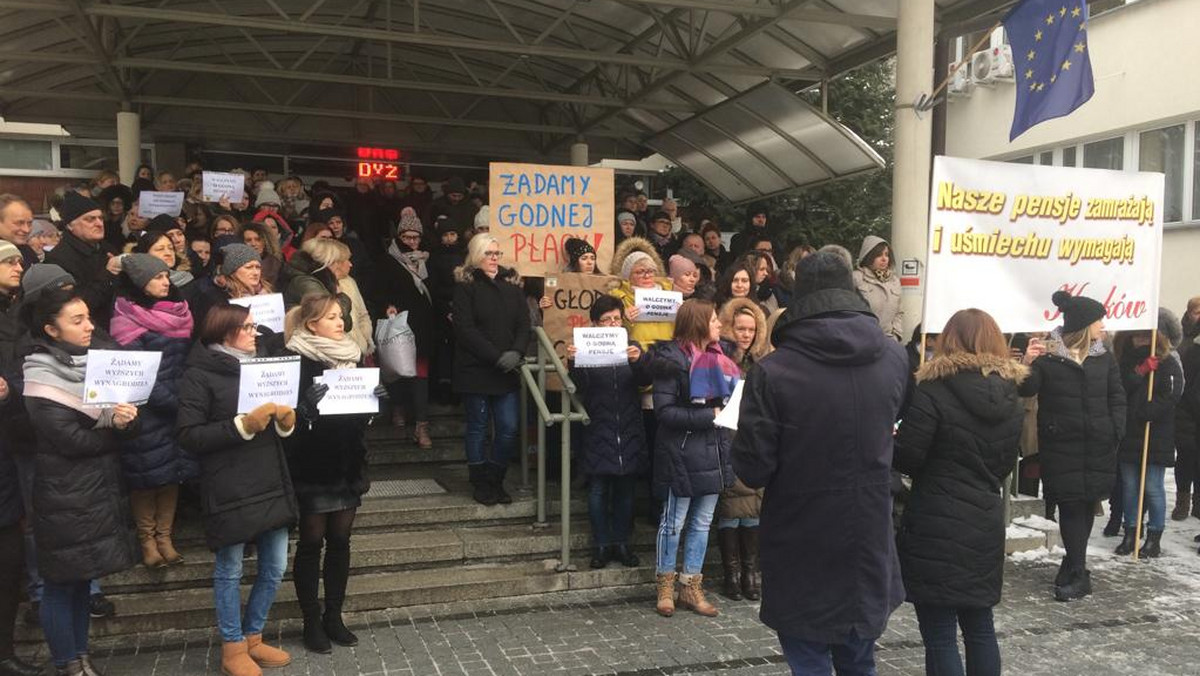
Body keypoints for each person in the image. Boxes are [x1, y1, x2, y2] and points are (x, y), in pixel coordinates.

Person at [732, 251, 909, 675]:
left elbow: (753, 469)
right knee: (859, 657)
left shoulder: (773, 372)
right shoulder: (895, 358)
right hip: (868, 534)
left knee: (808, 660)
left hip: (801, 537)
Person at [893, 308, 1027, 676]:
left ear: (949, 341)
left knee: (939, 635)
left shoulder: (933, 390)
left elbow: (908, 457)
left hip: (935, 522)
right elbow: (1003, 466)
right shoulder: (1011, 398)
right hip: (983, 520)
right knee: (980, 626)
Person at [23, 288, 140, 676]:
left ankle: (82, 656)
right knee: (61, 583)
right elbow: (71, 440)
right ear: (50, 330)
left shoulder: (93, 364)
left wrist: (121, 419)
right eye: (77, 320)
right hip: (63, 494)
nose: (90, 326)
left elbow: (99, 429)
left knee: (82, 579)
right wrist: (113, 426)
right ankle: (66, 662)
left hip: (95, 490)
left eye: (89, 317)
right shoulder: (40, 374)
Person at [177, 303, 298, 676]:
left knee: (275, 566)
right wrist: (241, 425)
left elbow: (277, 420)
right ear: (223, 331)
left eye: (254, 326)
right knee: (229, 569)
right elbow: (188, 435)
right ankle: (232, 646)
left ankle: (253, 636)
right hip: (228, 482)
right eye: (246, 327)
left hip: (269, 478)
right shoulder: (198, 374)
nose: (255, 334)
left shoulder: (262, 364)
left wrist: (286, 422)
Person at [283, 294, 386, 654]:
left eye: (341, 316)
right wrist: (304, 411)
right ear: (312, 324)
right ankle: (311, 620)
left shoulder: (352, 355)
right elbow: (284, 420)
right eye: (331, 317)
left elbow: (358, 414)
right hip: (311, 464)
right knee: (311, 543)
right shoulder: (296, 360)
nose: (340, 322)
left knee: (341, 542)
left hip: (346, 462)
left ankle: (334, 616)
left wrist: (375, 402)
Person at [1019, 291, 1125, 601]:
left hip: (1098, 444)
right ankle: (1079, 572)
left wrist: (1114, 429)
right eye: (1098, 321)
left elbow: (1117, 396)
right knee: (1069, 503)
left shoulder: (1103, 355)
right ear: (1083, 325)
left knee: (1086, 501)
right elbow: (1027, 387)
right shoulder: (1049, 355)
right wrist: (1027, 361)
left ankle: (1073, 564)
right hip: (1062, 444)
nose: (1103, 326)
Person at [651, 299, 736, 618]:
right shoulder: (671, 361)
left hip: (714, 448)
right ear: (699, 323)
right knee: (673, 522)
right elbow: (665, 411)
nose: (719, 325)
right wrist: (709, 414)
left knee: (701, 522)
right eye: (713, 320)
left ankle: (691, 585)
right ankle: (665, 585)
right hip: (682, 452)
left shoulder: (721, 356)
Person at [111, 254, 197, 569]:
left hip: (178, 401)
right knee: (146, 478)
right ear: (138, 282)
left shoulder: (179, 311)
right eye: (157, 277)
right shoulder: (126, 318)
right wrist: (175, 403)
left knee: (172, 474)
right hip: (147, 410)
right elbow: (136, 373)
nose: (165, 283)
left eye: (166, 276)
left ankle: (165, 537)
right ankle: (147, 541)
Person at [567, 295, 649, 570]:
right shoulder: (586, 348)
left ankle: (622, 544)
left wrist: (638, 361)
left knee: (626, 492)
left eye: (617, 318)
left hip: (628, 428)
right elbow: (578, 386)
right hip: (598, 429)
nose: (613, 324)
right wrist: (573, 362)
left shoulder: (631, 346)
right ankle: (601, 545)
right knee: (598, 491)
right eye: (606, 320)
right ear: (594, 323)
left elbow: (645, 380)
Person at [453, 234, 530, 506]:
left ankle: (496, 477)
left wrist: (517, 351)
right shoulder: (466, 286)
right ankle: (480, 480)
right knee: (478, 427)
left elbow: (524, 324)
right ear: (476, 255)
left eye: (497, 253)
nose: (494, 258)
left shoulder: (512, 287)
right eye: (489, 253)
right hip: (477, 368)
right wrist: (496, 356)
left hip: (506, 370)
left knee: (508, 427)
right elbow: (465, 329)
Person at [1111, 309, 1184, 558]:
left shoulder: (1168, 362)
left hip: (1155, 434)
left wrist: (1148, 411)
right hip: (1129, 433)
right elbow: (1119, 389)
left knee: (1153, 486)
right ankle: (1131, 532)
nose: (1140, 342)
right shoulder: (1124, 362)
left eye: (1145, 337)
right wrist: (1139, 372)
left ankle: (1154, 536)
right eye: (1136, 337)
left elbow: (1172, 394)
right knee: (1130, 486)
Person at [714, 297, 769, 602]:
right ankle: (731, 574)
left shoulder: (762, 361)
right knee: (730, 506)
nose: (745, 334)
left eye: (751, 329)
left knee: (752, 508)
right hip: (725, 434)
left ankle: (750, 573)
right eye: (740, 328)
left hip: (753, 435)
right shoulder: (718, 358)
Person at [374, 212, 435, 447]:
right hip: (400, 324)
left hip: (423, 327)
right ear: (399, 236)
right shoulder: (388, 261)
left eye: (416, 238)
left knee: (420, 375)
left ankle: (421, 426)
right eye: (407, 237)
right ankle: (398, 408)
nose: (412, 242)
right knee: (397, 369)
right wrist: (386, 306)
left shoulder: (427, 260)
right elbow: (378, 289)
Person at [45, 191, 121, 330]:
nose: (99, 223)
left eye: (100, 218)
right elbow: (76, 305)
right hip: (87, 331)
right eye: (90, 219)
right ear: (70, 225)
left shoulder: (107, 248)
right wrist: (107, 273)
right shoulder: (58, 258)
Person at [852, 235, 903, 342]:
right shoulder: (856, 278)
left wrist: (896, 336)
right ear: (869, 256)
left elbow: (899, 313)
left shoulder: (894, 281)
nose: (884, 259)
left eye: (887, 255)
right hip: (862, 340)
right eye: (879, 255)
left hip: (888, 342)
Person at [241, 222, 283, 288]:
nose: (253, 244)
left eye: (258, 240)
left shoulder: (276, 265)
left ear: (265, 241)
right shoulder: (237, 267)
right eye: (248, 240)